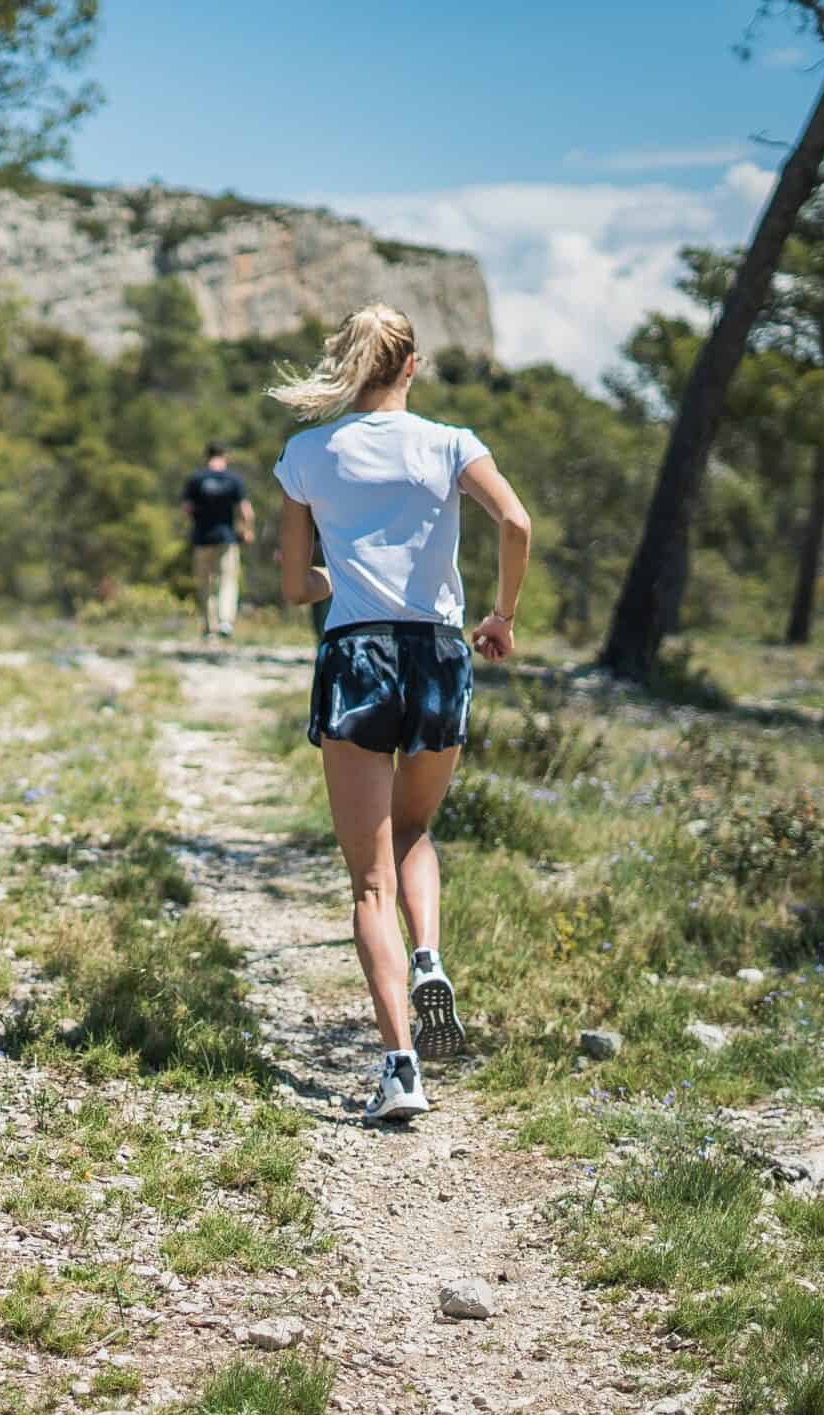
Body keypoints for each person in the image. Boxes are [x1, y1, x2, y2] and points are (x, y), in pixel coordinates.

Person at [267, 303, 532, 1124]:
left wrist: (338, 581)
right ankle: (429, 954)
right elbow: (516, 521)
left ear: (344, 363)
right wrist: (500, 617)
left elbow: (291, 584)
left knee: (368, 878)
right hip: (440, 654)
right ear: (411, 363)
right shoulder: (452, 443)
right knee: (416, 831)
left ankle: (400, 1067)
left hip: (356, 658)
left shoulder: (309, 454)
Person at [180, 443, 254, 639]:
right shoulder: (234, 480)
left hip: (201, 538)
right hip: (226, 538)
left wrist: (191, 527)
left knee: (205, 583)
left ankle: (208, 625)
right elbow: (246, 511)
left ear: (206, 457)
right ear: (225, 456)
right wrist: (246, 531)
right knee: (227, 580)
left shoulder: (196, 479)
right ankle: (225, 622)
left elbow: (187, 509)